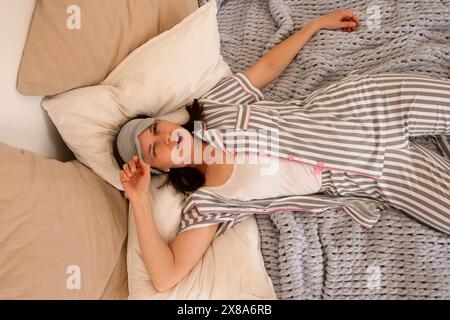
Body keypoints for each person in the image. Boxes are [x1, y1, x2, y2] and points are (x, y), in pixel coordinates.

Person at [115, 8, 450, 292]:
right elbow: (165, 277)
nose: (166, 139)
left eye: (157, 129)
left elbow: (266, 70)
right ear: (161, 169)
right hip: (373, 174)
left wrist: (315, 25)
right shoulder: (208, 202)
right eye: (153, 150)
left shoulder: (214, 109)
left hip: (362, 107)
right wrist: (140, 199)